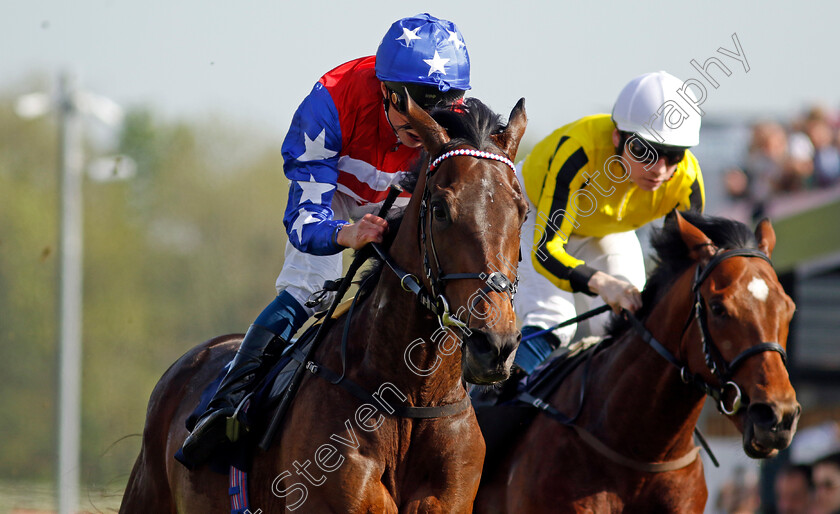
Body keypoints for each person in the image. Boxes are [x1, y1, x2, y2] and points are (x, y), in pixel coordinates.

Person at [179, 13, 471, 466]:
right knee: (310, 289)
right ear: (388, 92)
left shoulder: (461, 122)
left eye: (438, 117)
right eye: (413, 118)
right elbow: (302, 220)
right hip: (331, 199)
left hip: (403, 202)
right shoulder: (328, 104)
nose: (424, 133)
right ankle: (223, 406)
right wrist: (346, 233)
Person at [513, 71, 705, 373]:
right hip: (531, 211)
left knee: (632, 321)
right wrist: (602, 284)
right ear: (617, 137)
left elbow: (683, 269)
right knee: (555, 318)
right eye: (644, 151)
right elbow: (547, 249)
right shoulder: (578, 150)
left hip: (606, 229)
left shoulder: (687, 180)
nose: (659, 169)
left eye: (673, 155)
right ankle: (491, 402)